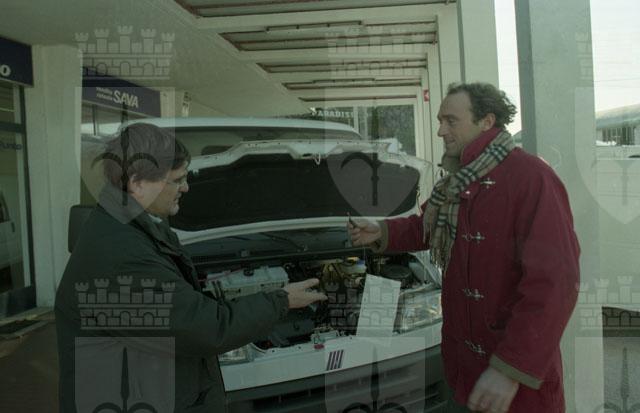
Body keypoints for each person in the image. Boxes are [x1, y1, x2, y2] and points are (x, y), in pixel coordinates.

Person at [55, 123, 327, 412]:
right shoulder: (123, 257)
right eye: (177, 180)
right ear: (136, 183)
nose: (185, 187)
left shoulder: (131, 227)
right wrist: (281, 300)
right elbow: (205, 328)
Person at [349, 83, 580, 413]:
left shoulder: (532, 177)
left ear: (487, 121)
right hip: (465, 372)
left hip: (514, 387)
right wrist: (381, 231)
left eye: (451, 121)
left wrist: (509, 370)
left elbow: (555, 284)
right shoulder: (457, 181)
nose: (441, 130)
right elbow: (426, 225)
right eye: (440, 121)